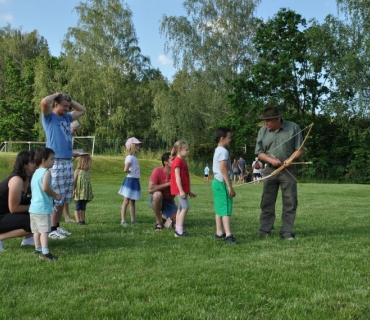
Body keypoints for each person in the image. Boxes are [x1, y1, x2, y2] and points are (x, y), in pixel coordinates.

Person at [41, 93, 86, 239]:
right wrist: (57, 95)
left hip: (67, 161)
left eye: (69, 106)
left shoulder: (66, 118)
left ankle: (56, 226)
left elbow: (82, 110)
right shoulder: (49, 117)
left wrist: (70, 101)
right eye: (64, 106)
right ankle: (50, 229)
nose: (68, 108)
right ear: (56, 104)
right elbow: (43, 102)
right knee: (56, 197)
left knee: (64, 198)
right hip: (57, 162)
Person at [255, 105, 304, 240]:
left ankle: (286, 232)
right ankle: (264, 230)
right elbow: (259, 153)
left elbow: (300, 149)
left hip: (288, 172)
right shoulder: (263, 131)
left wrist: (290, 159)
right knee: (267, 201)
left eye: (269, 120)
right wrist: (271, 160)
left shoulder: (293, 127)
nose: (266, 123)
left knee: (290, 201)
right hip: (270, 170)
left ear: (277, 119)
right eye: (265, 121)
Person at [0, 151, 36, 251]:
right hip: (2, 215)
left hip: (6, 214)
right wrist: (36, 207)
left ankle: (28, 239)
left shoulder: (30, 178)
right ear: (24, 165)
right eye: (33, 162)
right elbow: (14, 208)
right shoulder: (16, 180)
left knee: (39, 215)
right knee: (36, 220)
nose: (36, 164)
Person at [29, 147, 61, 261]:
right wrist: (56, 195)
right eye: (52, 159)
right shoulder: (46, 172)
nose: (54, 161)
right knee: (44, 231)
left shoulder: (35, 172)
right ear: (44, 160)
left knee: (36, 230)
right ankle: (45, 252)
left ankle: (37, 248)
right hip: (42, 208)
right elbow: (45, 188)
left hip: (33, 208)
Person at [212, 127, 236, 244]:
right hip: (222, 183)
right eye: (229, 138)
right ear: (222, 138)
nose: (230, 140)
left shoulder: (217, 150)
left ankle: (219, 232)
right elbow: (223, 168)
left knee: (219, 208)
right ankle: (228, 235)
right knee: (226, 209)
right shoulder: (223, 151)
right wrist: (229, 186)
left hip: (216, 182)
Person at [170, 140, 197, 237]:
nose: (188, 152)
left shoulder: (182, 162)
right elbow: (177, 177)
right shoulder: (177, 162)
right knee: (185, 208)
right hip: (179, 190)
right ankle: (179, 231)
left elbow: (185, 178)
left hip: (183, 190)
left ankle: (178, 229)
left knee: (180, 209)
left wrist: (189, 191)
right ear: (179, 150)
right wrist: (181, 190)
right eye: (186, 150)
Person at [148, 152, 177, 231]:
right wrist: (168, 184)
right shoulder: (157, 171)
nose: (176, 161)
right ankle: (159, 221)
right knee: (157, 194)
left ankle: (164, 216)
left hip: (169, 202)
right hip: (156, 199)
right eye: (173, 159)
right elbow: (150, 189)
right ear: (166, 162)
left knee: (176, 222)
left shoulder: (176, 173)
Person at [118, 137, 142, 226]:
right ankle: (123, 220)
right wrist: (131, 172)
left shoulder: (133, 157)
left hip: (134, 181)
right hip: (130, 181)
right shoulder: (130, 158)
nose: (138, 147)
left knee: (132, 201)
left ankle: (133, 220)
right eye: (137, 145)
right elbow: (125, 169)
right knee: (126, 201)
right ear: (132, 146)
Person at [63, 120, 81, 223]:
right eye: (74, 130)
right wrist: (78, 153)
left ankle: (66, 217)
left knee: (66, 193)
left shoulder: (70, 138)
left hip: (67, 165)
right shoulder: (62, 136)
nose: (75, 133)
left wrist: (74, 155)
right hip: (60, 167)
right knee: (60, 193)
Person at [73, 154, 93, 226]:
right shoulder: (77, 171)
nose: (90, 164)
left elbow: (89, 184)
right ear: (84, 162)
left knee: (83, 207)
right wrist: (73, 190)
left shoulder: (87, 173)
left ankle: (83, 220)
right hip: (78, 192)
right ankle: (78, 221)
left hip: (85, 193)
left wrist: (91, 193)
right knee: (77, 207)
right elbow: (74, 181)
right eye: (89, 163)